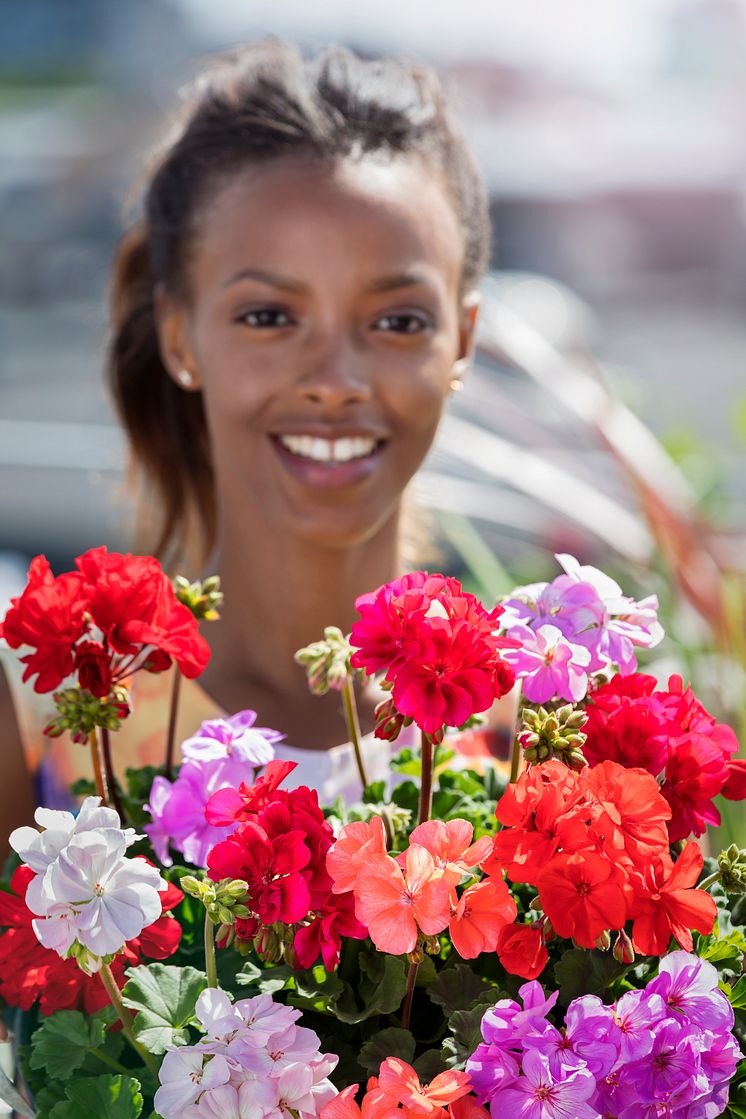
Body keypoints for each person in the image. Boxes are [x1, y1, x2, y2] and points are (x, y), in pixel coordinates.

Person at [0, 39, 497, 840]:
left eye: (398, 320)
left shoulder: (544, 733)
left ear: (462, 341)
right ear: (179, 337)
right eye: (268, 316)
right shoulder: (42, 723)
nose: (334, 378)